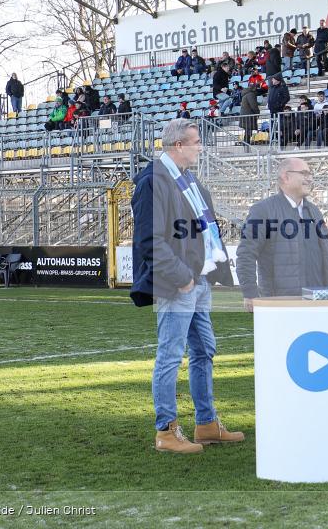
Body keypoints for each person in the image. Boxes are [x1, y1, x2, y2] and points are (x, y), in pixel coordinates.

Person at [130, 119, 241, 455]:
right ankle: (166, 430)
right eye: (195, 142)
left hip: (199, 280)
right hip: (179, 283)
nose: (200, 147)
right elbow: (150, 239)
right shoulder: (153, 181)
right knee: (170, 355)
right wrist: (182, 277)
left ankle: (206, 424)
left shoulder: (188, 180)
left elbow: (205, 229)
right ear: (178, 145)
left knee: (204, 350)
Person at [237, 157, 328, 310]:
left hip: (317, 302)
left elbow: (325, 256)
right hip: (280, 304)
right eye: (304, 173)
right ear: (286, 177)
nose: (310, 178)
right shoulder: (263, 210)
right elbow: (246, 254)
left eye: (310, 174)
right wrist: (250, 293)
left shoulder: (314, 211)